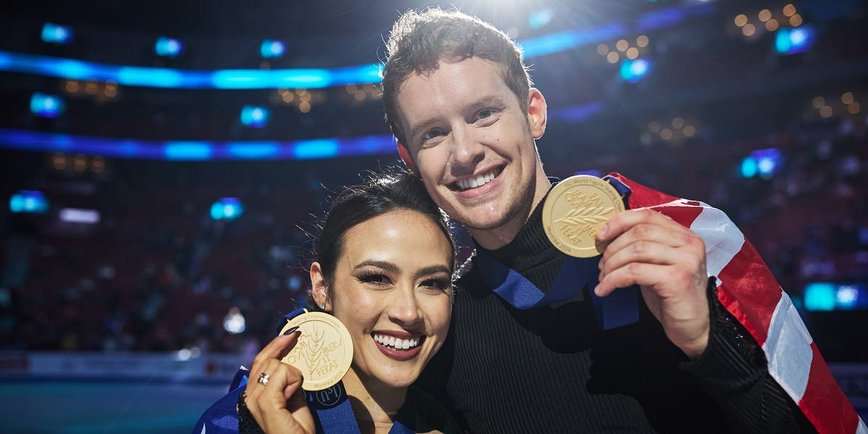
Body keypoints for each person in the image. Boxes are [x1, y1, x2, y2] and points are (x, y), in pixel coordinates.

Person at [380, 8, 863, 434]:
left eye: (484, 114)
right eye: (433, 134)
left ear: (533, 113)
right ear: (408, 159)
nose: (464, 152)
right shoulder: (440, 325)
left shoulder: (685, 243)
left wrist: (708, 345)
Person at [194, 169, 462, 433]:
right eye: (377, 278)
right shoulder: (231, 423)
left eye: (432, 283)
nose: (408, 312)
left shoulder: (466, 421)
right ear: (322, 287)